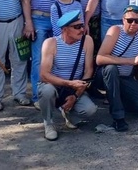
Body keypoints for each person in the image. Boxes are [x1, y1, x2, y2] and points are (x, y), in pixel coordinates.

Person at [38, 10, 98, 141]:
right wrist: (69, 83)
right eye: (77, 27)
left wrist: (75, 95)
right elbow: (44, 75)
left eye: (82, 25)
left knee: (90, 109)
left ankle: (69, 114)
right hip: (55, 85)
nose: (82, 29)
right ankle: (48, 123)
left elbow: (88, 71)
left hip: (75, 87)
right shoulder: (51, 43)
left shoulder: (87, 41)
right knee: (46, 91)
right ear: (65, 29)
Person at [22, 0, 68, 109]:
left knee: (57, 58)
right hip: (39, 19)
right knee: (39, 60)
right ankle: (38, 96)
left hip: (57, 19)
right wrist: (28, 23)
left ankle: (56, 94)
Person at [96, 5, 138, 132]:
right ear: (123, 20)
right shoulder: (115, 30)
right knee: (111, 69)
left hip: (125, 78)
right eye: (130, 20)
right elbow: (100, 58)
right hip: (106, 75)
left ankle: (120, 101)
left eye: (137, 21)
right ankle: (118, 118)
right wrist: (131, 61)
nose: (133, 23)